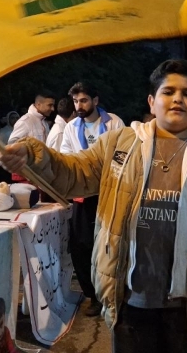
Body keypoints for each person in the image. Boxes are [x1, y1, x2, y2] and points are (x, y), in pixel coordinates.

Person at [0, 59, 187, 352]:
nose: (177, 99)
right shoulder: (118, 144)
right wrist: (33, 155)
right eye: (168, 92)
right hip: (130, 304)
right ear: (151, 101)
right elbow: (72, 173)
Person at [60, 81, 124, 317]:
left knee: (109, 243)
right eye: (76, 101)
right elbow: (66, 156)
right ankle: (92, 296)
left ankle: (113, 293)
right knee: (81, 246)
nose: (79, 105)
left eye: (84, 100)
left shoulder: (114, 123)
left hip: (110, 193)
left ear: (95, 101)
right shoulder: (70, 127)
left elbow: (125, 154)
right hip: (83, 195)